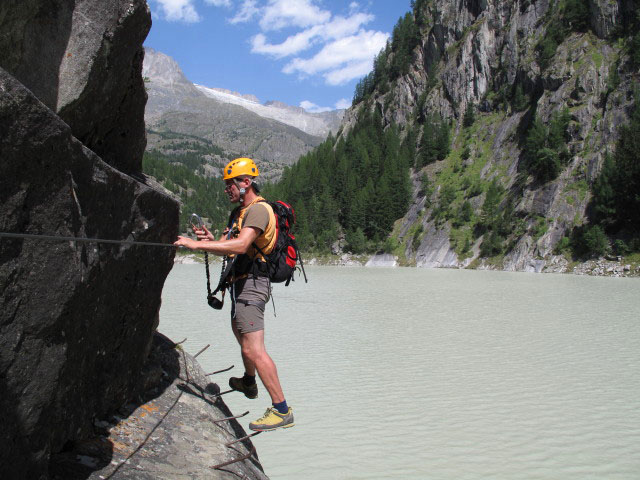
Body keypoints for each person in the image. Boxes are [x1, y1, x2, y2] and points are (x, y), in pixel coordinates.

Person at [174, 157, 294, 431]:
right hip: (240, 284)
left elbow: (241, 246)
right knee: (242, 339)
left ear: (246, 182)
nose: (226, 190)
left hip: (253, 283)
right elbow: (229, 246)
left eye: (230, 184)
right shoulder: (239, 213)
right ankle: (249, 382)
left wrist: (194, 245)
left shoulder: (259, 210)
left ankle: (282, 410)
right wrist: (209, 240)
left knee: (254, 347)